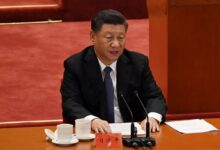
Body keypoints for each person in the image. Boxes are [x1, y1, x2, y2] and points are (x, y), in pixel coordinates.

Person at [60, 9, 167, 134]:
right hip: (96, 134)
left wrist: (152, 117)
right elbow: (70, 103)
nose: (116, 44)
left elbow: (155, 96)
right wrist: (93, 121)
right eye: (109, 38)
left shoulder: (138, 63)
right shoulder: (75, 65)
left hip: (133, 134)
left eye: (121, 38)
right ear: (93, 37)